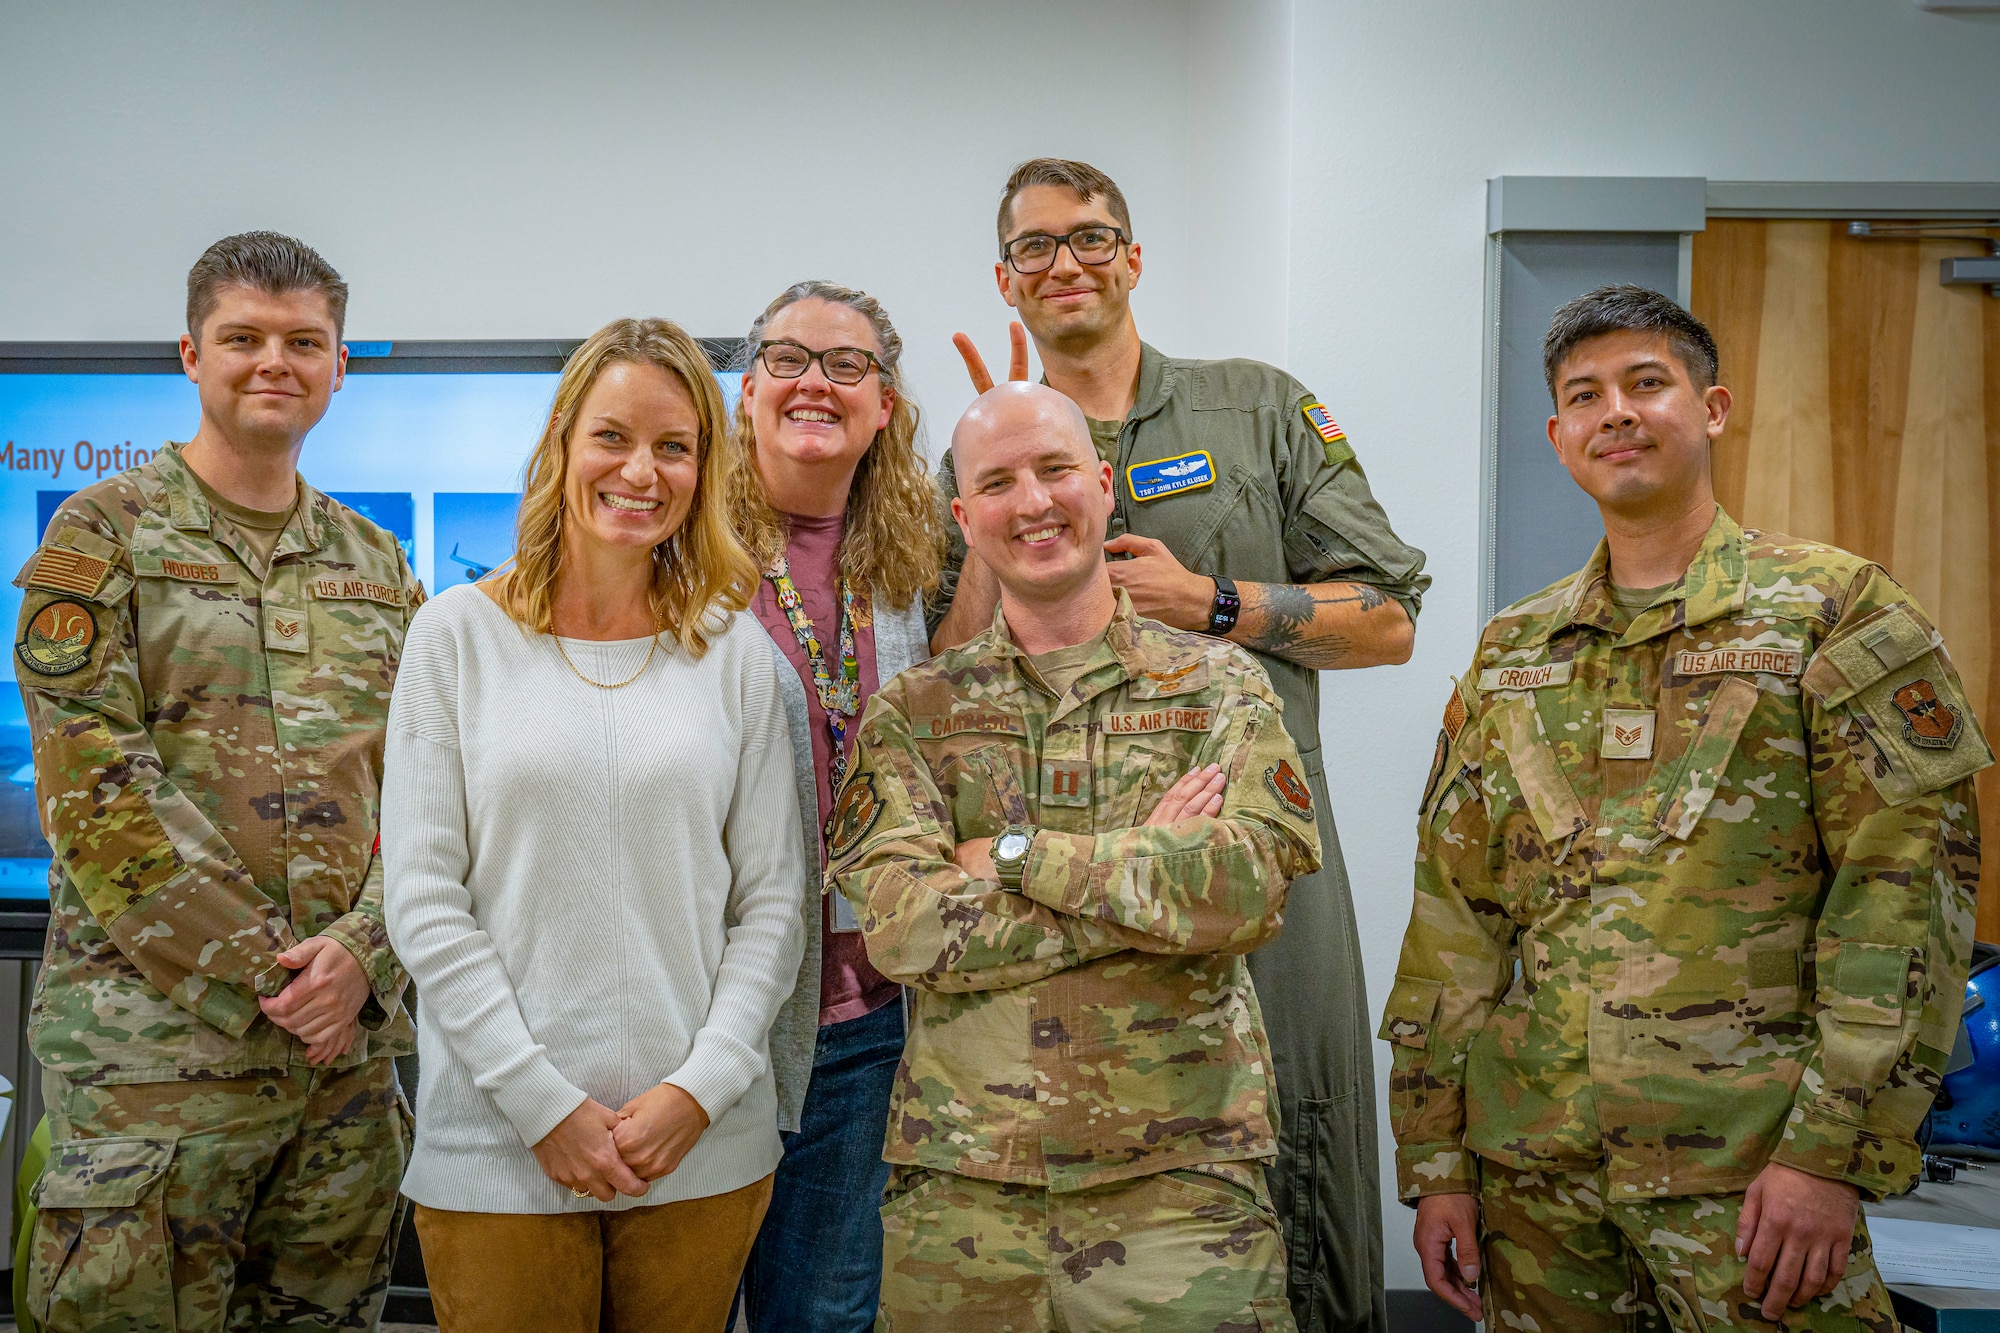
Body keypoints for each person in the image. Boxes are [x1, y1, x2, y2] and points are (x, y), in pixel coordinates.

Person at [1385, 285, 1990, 1333]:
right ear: (1556, 435)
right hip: (1537, 1179)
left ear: (1709, 408)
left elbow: (1901, 902)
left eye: (1644, 383)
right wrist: (1436, 1161)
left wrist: (1828, 1154)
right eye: (1584, 395)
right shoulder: (1511, 652)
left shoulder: (1830, 609)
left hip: (1752, 1168)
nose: (1614, 412)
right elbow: (1453, 925)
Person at [930, 158, 1428, 1333]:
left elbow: (1390, 620)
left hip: (1253, 862)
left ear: (1132, 258)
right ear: (1004, 280)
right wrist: (987, 492)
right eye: (1036, 247)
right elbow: (942, 677)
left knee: (1289, 1133)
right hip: (1054, 887)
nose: (1065, 263)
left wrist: (1213, 604)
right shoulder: (972, 446)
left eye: (1090, 238)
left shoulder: (1252, 409)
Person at [830, 383, 1321, 1332]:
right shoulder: (915, 715)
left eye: (1056, 469)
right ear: (965, 519)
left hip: (1181, 1192)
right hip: (965, 1198)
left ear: (1102, 485)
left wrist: (1011, 856)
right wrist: (1145, 880)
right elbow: (904, 931)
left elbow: (1242, 892)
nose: (1034, 501)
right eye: (999, 482)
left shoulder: (1220, 688)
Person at [13, 231, 419, 1331]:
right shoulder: (100, 535)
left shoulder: (381, 566)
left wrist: (362, 956)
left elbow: (437, 796)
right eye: (242, 338)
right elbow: (99, 795)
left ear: (339, 365)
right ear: (191, 355)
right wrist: (279, 980)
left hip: (346, 1076)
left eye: (304, 341)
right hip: (158, 1069)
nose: (272, 362)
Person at [382, 318, 805, 1331]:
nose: (641, 471)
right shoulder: (455, 638)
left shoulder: (734, 655)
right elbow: (424, 900)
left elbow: (775, 902)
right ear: (562, 441)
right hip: (495, 1146)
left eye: (674, 445)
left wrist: (697, 1090)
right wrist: (542, 1105)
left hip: (700, 1144)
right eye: (612, 436)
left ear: (706, 468)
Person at [725, 280, 944, 1331]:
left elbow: (953, 694)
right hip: (712, 1010)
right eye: (787, 357)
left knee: (822, 1313)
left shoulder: (908, 551)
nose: (814, 380)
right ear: (747, 388)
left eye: (846, 363)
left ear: (885, 405)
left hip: (860, 1019)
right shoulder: (680, 544)